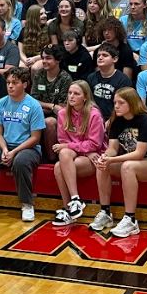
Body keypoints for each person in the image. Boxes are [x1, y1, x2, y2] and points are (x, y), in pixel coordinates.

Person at [88, 88, 147, 238]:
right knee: (102, 164)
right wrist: (105, 157)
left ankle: (130, 220)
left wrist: (112, 159)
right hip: (130, 162)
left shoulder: (146, 119)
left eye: (121, 103)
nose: (116, 106)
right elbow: (112, 149)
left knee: (127, 166)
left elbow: (139, 154)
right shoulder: (116, 120)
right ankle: (105, 212)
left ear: (131, 103)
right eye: (115, 103)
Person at [0, 67, 46, 222]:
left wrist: (14, 152)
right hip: (6, 144)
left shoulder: (34, 105)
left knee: (20, 161)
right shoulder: (1, 103)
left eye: (15, 83)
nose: (10, 86)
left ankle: (27, 203)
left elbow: (35, 138)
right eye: (8, 83)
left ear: (24, 84)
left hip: (28, 147)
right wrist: (5, 149)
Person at [51, 81, 107, 225]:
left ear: (85, 97)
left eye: (76, 93)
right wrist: (81, 150)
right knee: (62, 158)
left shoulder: (94, 114)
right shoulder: (63, 113)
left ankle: (69, 207)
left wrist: (72, 147)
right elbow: (62, 140)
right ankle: (73, 202)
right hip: (77, 154)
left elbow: (95, 144)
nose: (71, 96)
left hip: (95, 156)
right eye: (70, 93)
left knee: (60, 164)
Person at [30, 45, 73, 162]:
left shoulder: (65, 78)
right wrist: (50, 106)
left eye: (48, 58)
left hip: (58, 116)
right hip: (40, 111)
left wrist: (48, 107)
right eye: (42, 58)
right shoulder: (39, 75)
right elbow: (33, 100)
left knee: (49, 122)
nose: (44, 61)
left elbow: (62, 108)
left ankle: (52, 159)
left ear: (57, 60)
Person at [87, 44, 133, 120]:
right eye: (98, 56)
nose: (100, 58)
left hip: (116, 120)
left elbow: (124, 107)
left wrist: (110, 121)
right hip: (94, 118)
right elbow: (88, 102)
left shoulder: (123, 80)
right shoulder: (91, 77)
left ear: (115, 59)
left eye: (105, 55)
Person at [19, 5, 51, 71]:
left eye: (45, 13)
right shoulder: (24, 31)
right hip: (27, 59)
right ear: (33, 17)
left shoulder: (49, 30)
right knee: (21, 67)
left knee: (35, 68)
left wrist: (34, 59)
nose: (45, 16)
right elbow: (20, 51)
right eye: (41, 14)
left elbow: (50, 51)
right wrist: (26, 61)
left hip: (42, 57)